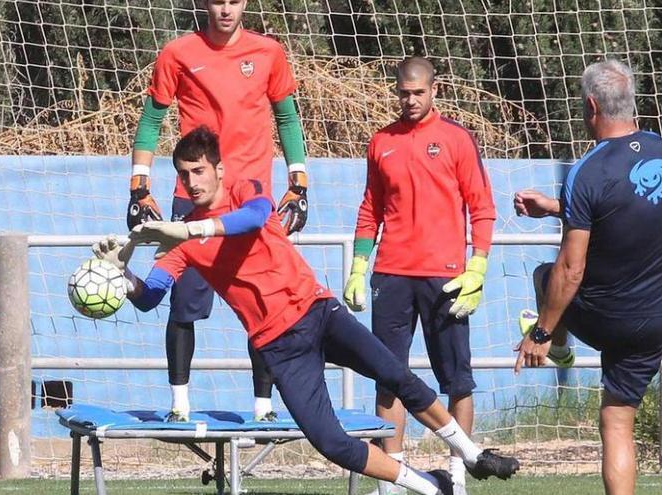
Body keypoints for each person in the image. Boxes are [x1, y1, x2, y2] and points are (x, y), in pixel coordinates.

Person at [95, 126, 519, 495]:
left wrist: (191, 227)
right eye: (184, 174)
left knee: (395, 375)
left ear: (219, 169)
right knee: (329, 441)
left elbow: (255, 216)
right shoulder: (182, 237)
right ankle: (429, 486)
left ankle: (472, 454)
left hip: (318, 312)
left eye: (199, 170)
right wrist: (121, 272)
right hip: (279, 347)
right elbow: (151, 295)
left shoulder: (243, 191)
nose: (191, 181)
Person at [126, 0, 309, 422]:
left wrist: (298, 181)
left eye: (234, 0)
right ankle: (179, 406)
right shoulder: (177, 53)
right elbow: (152, 118)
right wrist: (139, 185)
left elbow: (287, 117)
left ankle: (263, 409)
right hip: (194, 195)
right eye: (217, 1)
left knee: (263, 305)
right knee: (181, 302)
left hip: (252, 203)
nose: (225, 9)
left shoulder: (269, 53)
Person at [513, 60, 662, 495]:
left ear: (591, 106)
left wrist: (542, 330)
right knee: (617, 420)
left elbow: (573, 269)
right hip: (658, 319)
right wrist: (556, 207)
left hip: (608, 316)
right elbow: (625, 205)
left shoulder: (586, 171)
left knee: (546, 273)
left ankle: (562, 347)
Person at [343, 57, 496, 495]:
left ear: (434, 90)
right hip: (390, 275)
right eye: (403, 93)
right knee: (387, 375)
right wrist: (358, 266)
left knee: (457, 379)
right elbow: (370, 209)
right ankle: (392, 476)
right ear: (396, 91)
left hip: (445, 278)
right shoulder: (381, 142)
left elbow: (481, 208)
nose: (410, 100)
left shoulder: (457, 140)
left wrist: (478, 266)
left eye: (418, 92)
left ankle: (457, 474)